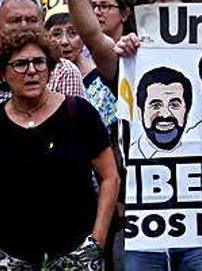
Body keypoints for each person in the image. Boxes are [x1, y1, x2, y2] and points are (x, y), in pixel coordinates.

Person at [0, 26, 119, 268]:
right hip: (12, 258)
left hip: (76, 257)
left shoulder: (79, 113)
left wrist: (96, 241)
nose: (32, 71)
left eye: (39, 62)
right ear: (3, 73)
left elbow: (110, 177)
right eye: (20, 64)